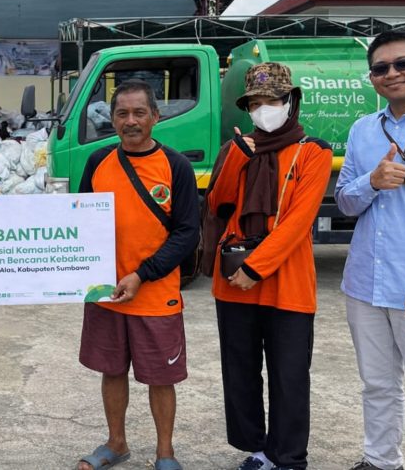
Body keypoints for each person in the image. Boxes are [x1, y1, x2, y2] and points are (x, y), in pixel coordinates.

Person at [205, 62, 332, 470]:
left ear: (290, 101)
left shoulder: (314, 152)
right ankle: (258, 449)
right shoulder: (238, 148)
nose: (265, 110)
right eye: (256, 103)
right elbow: (217, 205)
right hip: (234, 284)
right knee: (240, 373)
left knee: (289, 376)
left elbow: (297, 222)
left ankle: (289, 457)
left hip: (286, 283)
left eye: (273, 100)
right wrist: (235, 159)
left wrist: (255, 267)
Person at [75, 79, 199, 470]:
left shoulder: (175, 165)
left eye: (139, 113)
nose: (130, 121)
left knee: (161, 377)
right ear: (112, 119)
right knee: (112, 371)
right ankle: (116, 443)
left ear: (155, 117)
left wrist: (142, 275)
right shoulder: (97, 162)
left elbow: (186, 234)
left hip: (154, 294)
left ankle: (166, 452)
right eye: (122, 113)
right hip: (108, 292)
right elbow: (77, 222)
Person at [335, 30, 405, 470]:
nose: (391, 74)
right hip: (365, 283)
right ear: (372, 78)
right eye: (380, 68)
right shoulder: (362, 129)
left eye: (402, 64)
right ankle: (380, 461)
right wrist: (371, 182)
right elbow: (345, 202)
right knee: (376, 384)